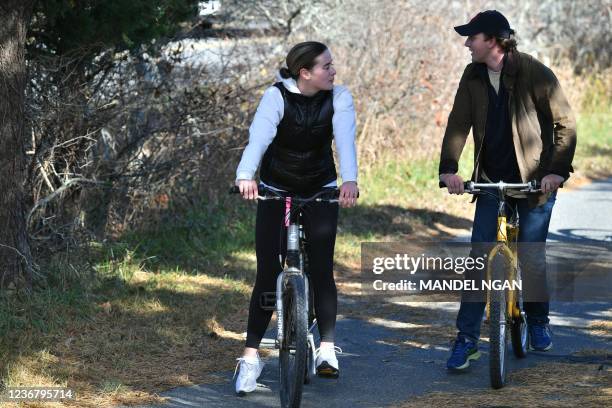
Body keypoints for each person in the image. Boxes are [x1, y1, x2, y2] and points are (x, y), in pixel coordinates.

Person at [438, 10, 576, 371]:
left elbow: (565, 124)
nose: (467, 44)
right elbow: (458, 122)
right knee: (478, 258)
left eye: (473, 37)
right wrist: (449, 169)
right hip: (491, 179)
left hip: (535, 180)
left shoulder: (533, 72)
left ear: (494, 41)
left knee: (530, 254)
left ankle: (538, 320)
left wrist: (556, 172)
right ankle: (466, 339)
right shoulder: (473, 74)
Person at [233, 41, 359, 395]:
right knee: (266, 274)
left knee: (321, 268)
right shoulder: (276, 97)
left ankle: (328, 348)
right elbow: (258, 138)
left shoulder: (339, 97)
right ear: (305, 73)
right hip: (276, 188)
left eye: (332, 65)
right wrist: (246, 175)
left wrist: (349, 180)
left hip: (321, 187)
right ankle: (250, 358)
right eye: (326, 66)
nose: (333, 71)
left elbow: (345, 141)